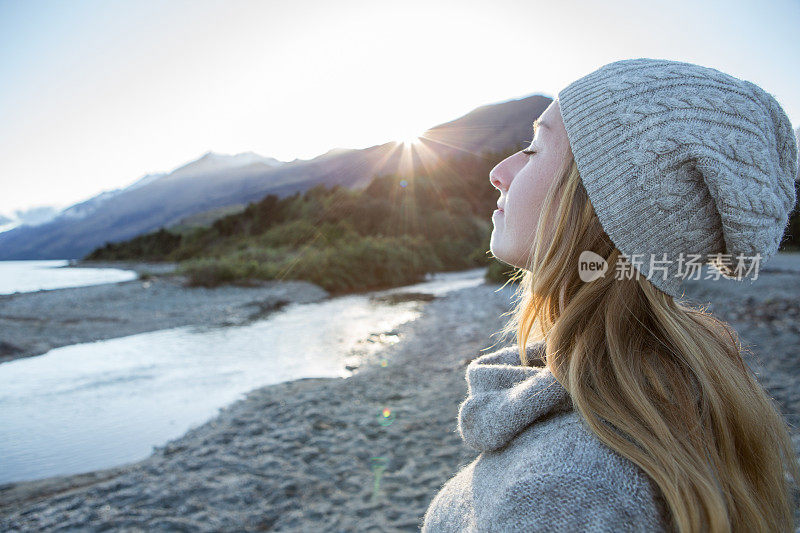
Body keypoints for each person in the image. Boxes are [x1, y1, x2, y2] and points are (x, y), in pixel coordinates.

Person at [420, 57, 799, 532]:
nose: (499, 171)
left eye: (535, 149)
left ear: (602, 208)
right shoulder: (686, 385)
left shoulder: (562, 492)